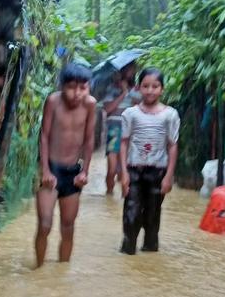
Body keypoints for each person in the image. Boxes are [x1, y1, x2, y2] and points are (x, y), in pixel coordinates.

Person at [35, 63, 97, 267]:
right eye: (71, 87)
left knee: (68, 226)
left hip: (73, 172)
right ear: (62, 86)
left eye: (82, 87)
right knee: (44, 224)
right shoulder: (53, 101)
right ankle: (38, 269)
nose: (77, 93)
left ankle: (61, 272)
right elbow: (44, 136)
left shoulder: (90, 104)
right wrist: (44, 170)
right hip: (51, 170)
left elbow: (89, 140)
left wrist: (85, 171)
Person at [120, 68, 180, 255]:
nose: (150, 90)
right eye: (146, 86)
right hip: (134, 170)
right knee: (131, 213)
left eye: (155, 86)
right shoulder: (130, 114)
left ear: (162, 89)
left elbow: (172, 146)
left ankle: (150, 249)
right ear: (138, 88)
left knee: (152, 215)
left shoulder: (170, 115)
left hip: (157, 172)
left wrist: (169, 176)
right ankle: (128, 248)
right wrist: (123, 173)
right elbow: (123, 143)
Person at [101, 64, 140, 195]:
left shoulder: (137, 90)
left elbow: (141, 109)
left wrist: (131, 94)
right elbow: (107, 109)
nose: (130, 71)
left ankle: (125, 197)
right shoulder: (111, 89)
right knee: (112, 169)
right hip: (114, 129)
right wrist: (123, 93)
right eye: (128, 69)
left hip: (130, 131)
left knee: (125, 169)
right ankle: (109, 194)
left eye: (132, 69)